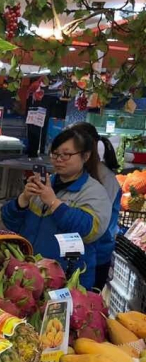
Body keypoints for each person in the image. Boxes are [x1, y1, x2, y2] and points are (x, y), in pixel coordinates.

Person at [1, 127, 112, 289]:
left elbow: (89, 231)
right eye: (55, 153)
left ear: (85, 156)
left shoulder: (95, 192)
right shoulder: (44, 184)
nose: (59, 159)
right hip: (30, 276)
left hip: (67, 282)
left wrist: (54, 203)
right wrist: (23, 199)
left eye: (66, 154)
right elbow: (10, 223)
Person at [71, 122, 121, 290]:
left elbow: (96, 224)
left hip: (96, 256)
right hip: (73, 254)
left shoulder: (105, 180)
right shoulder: (75, 175)